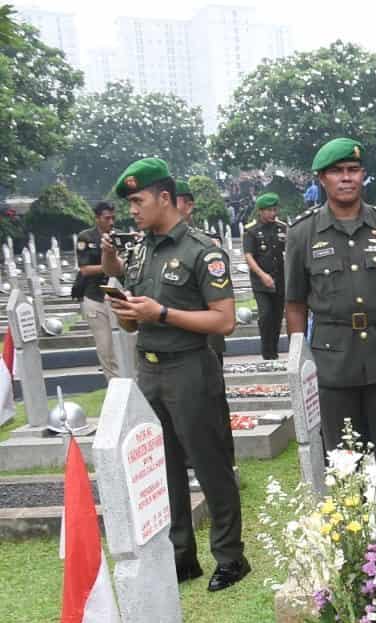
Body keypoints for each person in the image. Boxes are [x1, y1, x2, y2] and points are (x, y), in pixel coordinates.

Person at [99, 158, 250, 592]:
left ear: (164, 198)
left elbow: (224, 322)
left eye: (138, 200)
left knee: (210, 464)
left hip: (190, 369)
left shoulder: (202, 250)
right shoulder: (141, 250)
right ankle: (181, 556)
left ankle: (230, 557)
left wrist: (161, 312)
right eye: (129, 202)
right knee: (163, 467)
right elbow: (136, 322)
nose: (132, 209)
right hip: (150, 370)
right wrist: (129, 312)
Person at [284, 138, 376, 457]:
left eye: (353, 169)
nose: (346, 177)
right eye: (336, 171)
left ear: (363, 174)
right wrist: (300, 365)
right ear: (321, 179)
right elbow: (295, 304)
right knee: (343, 460)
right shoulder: (302, 234)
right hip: (332, 360)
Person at [175, 179, 228, 363]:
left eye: (173, 202)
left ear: (189, 206)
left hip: (205, 337)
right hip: (171, 342)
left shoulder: (207, 244)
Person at [73, 201, 122, 379]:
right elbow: (85, 269)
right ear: (97, 218)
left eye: (113, 218)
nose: (111, 222)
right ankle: (114, 386)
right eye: (106, 218)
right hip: (95, 296)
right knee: (105, 347)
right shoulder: (86, 237)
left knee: (126, 344)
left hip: (115, 294)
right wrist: (111, 266)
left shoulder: (117, 237)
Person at [243, 193, 287, 360]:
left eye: (275, 209)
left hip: (279, 279)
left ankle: (273, 352)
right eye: (269, 210)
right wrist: (262, 275)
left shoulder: (282, 228)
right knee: (266, 314)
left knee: (276, 317)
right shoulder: (251, 230)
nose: (273, 213)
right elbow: (248, 256)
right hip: (261, 281)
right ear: (260, 211)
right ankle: (266, 351)